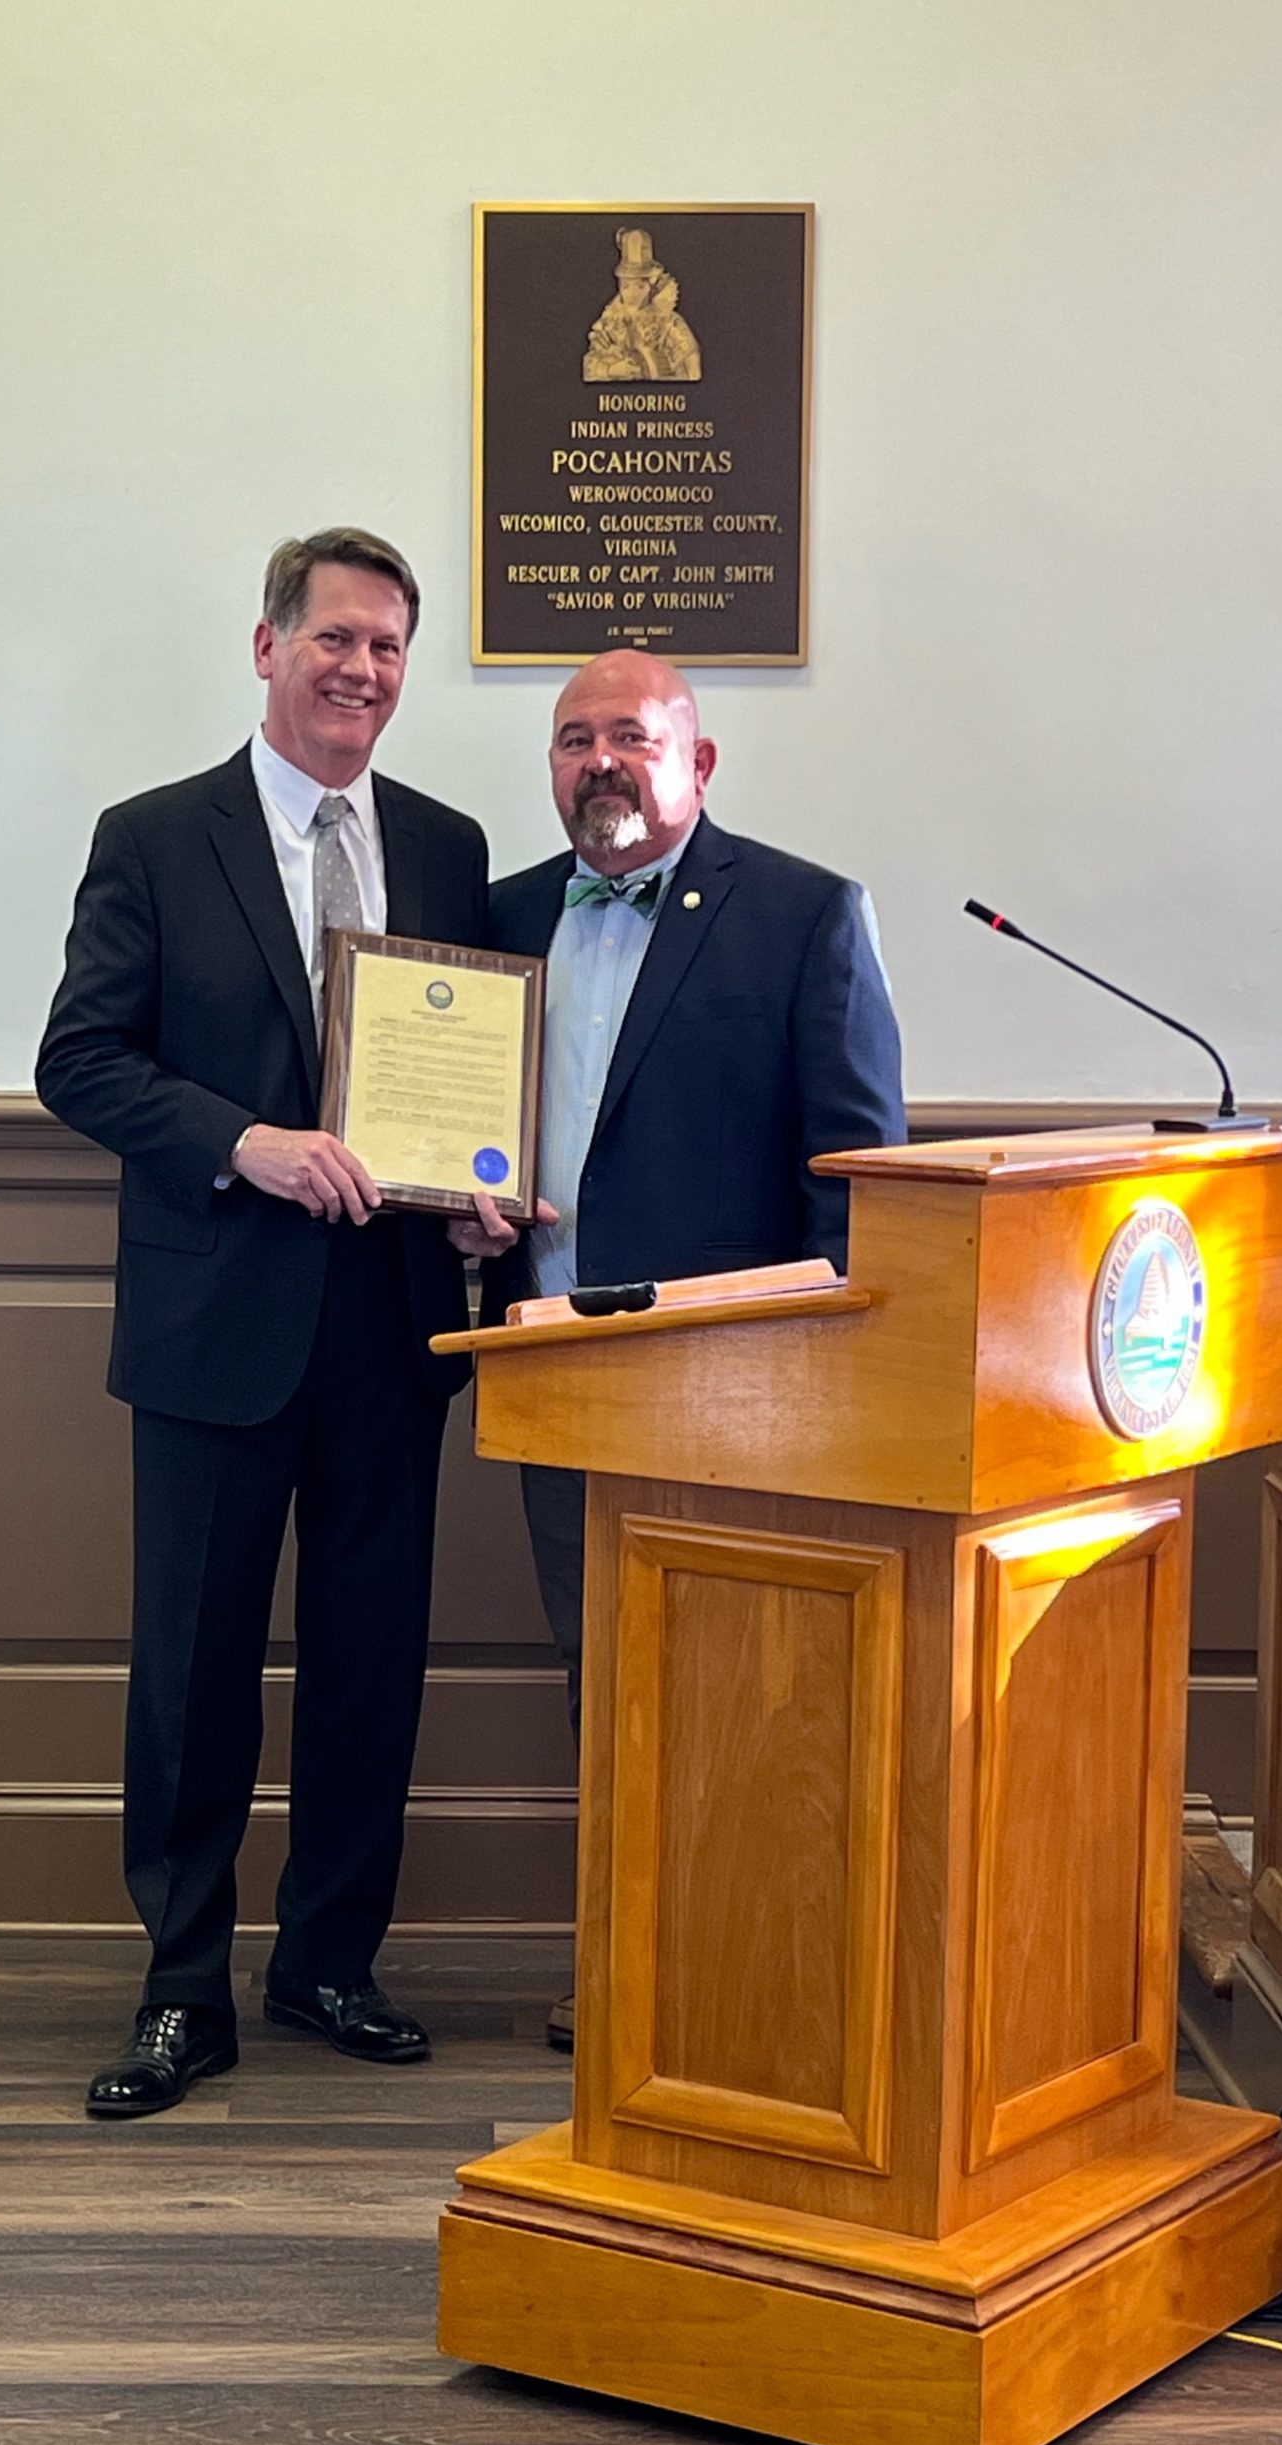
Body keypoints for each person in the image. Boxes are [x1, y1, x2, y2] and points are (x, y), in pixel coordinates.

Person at [37, 528, 487, 2117]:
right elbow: (80, 1063)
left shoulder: (444, 842)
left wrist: (475, 1189)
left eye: (386, 647)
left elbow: (458, 1084)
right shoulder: (156, 837)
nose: (360, 670)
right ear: (268, 645)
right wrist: (250, 1144)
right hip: (216, 1317)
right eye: (335, 639)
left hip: (391, 1327)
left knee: (374, 1661)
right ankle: (180, 1988)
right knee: (195, 1670)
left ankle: (328, 1961)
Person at [450, 649, 905, 2048]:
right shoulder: (495, 921)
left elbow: (858, 1181)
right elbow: (461, 1135)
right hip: (558, 1377)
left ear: (698, 763)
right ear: (550, 766)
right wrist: (460, 1222)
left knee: (754, 1699)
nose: (603, 761)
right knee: (611, 1691)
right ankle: (636, 1977)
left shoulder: (805, 914)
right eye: (575, 737)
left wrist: (812, 1379)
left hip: (740, 1390)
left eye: (633, 736)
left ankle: (762, 1977)